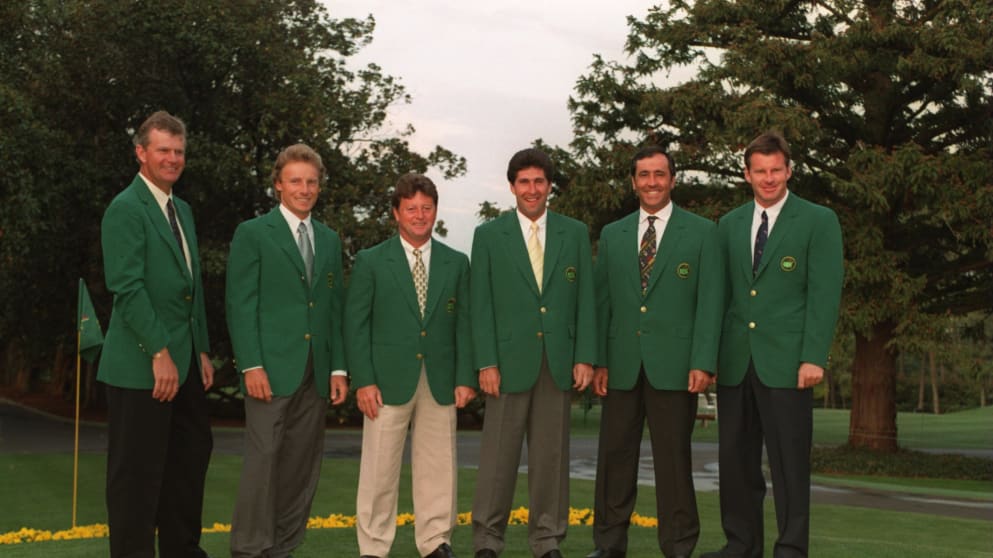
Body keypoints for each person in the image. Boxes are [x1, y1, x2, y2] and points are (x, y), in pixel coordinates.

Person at [702, 132, 843, 558]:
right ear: (747, 174)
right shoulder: (727, 226)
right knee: (737, 463)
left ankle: (791, 549)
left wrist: (813, 356)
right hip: (735, 361)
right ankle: (741, 546)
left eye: (776, 170)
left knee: (789, 465)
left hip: (788, 364)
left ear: (789, 170)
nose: (768, 179)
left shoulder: (818, 221)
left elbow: (823, 294)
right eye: (760, 171)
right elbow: (717, 299)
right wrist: (708, 360)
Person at [586, 146, 723, 558]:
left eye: (659, 174)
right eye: (643, 174)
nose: (651, 182)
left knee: (674, 464)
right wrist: (600, 362)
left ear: (673, 179)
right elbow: (602, 303)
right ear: (633, 181)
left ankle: (679, 547)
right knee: (614, 460)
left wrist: (703, 361)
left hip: (677, 368)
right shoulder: (614, 234)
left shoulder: (702, 233)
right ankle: (608, 546)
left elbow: (710, 302)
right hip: (622, 367)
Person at [470, 148, 597, 558]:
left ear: (549, 187)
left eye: (539, 182)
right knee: (496, 461)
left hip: (557, 362)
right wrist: (486, 361)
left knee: (551, 458)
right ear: (511, 187)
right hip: (506, 365)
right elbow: (481, 304)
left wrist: (585, 356)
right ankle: (488, 540)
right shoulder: (489, 236)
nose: (532, 189)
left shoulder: (574, 233)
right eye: (523, 182)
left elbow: (586, 300)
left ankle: (547, 540)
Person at [99, 110, 214, 557]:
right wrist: (159, 351)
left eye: (179, 151)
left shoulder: (181, 209)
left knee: (188, 464)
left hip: (185, 363)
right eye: (163, 150)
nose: (172, 158)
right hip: (141, 365)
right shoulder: (125, 209)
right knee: (136, 479)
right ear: (141, 153)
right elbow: (127, 288)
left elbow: (192, 288)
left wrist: (201, 349)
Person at [226, 143, 349, 558]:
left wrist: (339, 369)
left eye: (312, 182)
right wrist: (251, 364)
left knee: (301, 467)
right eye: (296, 180)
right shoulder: (253, 234)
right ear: (278, 184)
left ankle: (283, 547)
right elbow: (240, 305)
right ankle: (249, 548)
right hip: (270, 369)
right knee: (263, 464)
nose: (305, 188)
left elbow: (334, 309)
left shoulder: (330, 240)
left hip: (316, 373)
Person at [345, 173, 476, 558]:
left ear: (435, 211)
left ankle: (436, 542)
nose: (419, 215)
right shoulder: (371, 261)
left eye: (426, 208)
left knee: (439, 467)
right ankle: (373, 547)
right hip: (385, 382)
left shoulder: (456, 262)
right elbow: (356, 324)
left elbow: (465, 324)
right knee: (378, 471)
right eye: (411, 209)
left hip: (440, 378)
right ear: (396, 213)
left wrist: (465, 377)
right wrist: (363, 381)